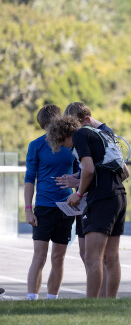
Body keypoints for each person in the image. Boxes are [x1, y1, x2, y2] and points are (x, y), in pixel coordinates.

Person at [46, 116, 127, 298]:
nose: (66, 147)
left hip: (102, 199)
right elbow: (124, 171)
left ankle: (91, 304)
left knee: (93, 257)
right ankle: (109, 303)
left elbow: (88, 169)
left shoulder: (80, 135)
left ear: (64, 135)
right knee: (112, 256)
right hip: (119, 196)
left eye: (63, 143)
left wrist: (79, 194)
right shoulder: (100, 133)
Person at [24, 105, 76, 300]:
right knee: (39, 256)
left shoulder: (71, 144)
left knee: (58, 257)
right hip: (44, 207)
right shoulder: (36, 145)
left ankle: (52, 299)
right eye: (46, 128)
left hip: (67, 206)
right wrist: (28, 210)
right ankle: (32, 299)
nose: (50, 131)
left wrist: (79, 196)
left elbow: (83, 173)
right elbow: (29, 179)